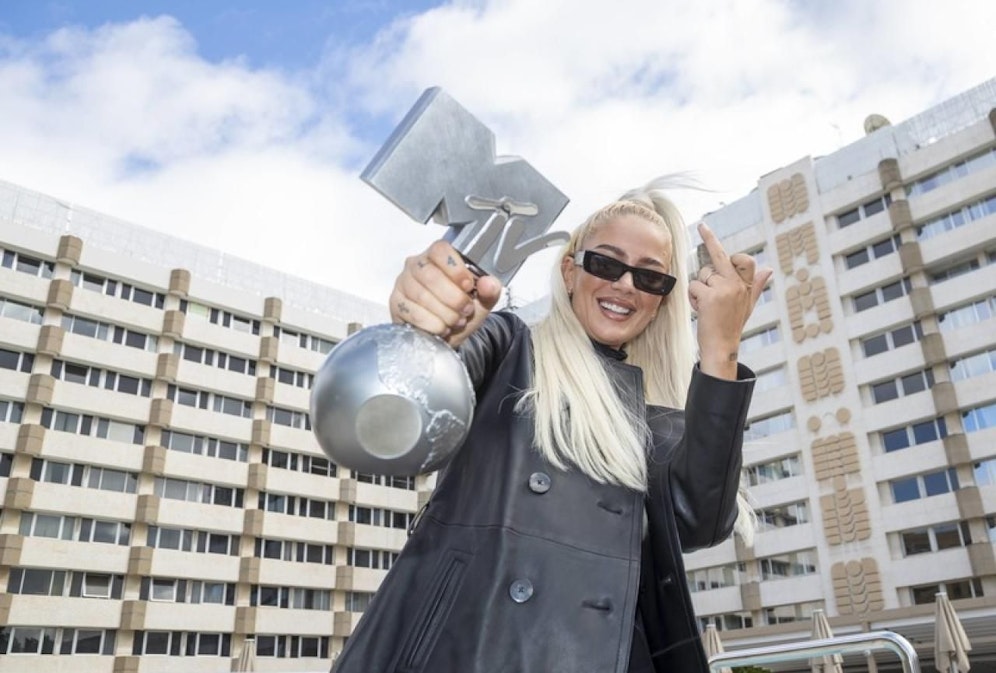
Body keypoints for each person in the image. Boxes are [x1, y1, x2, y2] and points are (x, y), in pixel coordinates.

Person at [331, 179, 773, 673]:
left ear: (661, 301)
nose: (625, 285)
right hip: (472, 650)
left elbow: (702, 521)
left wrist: (721, 347)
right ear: (570, 272)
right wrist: (428, 332)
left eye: (649, 279)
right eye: (606, 263)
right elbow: (418, 392)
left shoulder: (655, 420)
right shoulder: (508, 347)